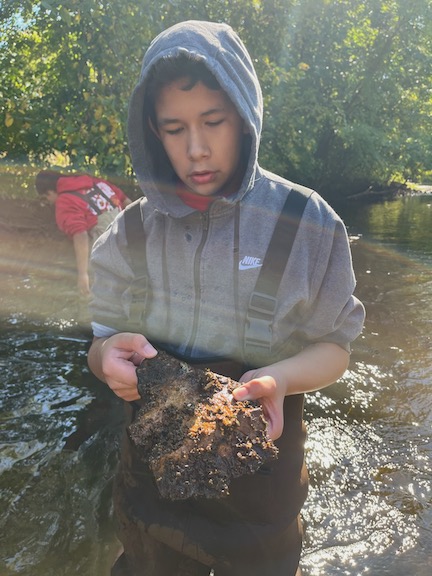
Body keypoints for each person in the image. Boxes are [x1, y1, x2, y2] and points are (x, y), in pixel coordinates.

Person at [87, 20, 365, 576]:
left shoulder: (308, 225)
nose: (196, 149)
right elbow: (100, 344)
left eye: (213, 121)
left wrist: (281, 380)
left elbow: (335, 350)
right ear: (152, 130)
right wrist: (104, 359)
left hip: (262, 499)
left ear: (243, 115)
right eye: (173, 128)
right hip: (150, 495)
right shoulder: (126, 236)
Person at [35, 170, 132, 295]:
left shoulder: (65, 200)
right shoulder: (97, 183)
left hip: (103, 250)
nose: (49, 202)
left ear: (49, 192)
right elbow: (127, 202)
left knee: (90, 296)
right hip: (127, 245)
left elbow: (80, 235)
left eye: (46, 198)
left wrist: (83, 274)